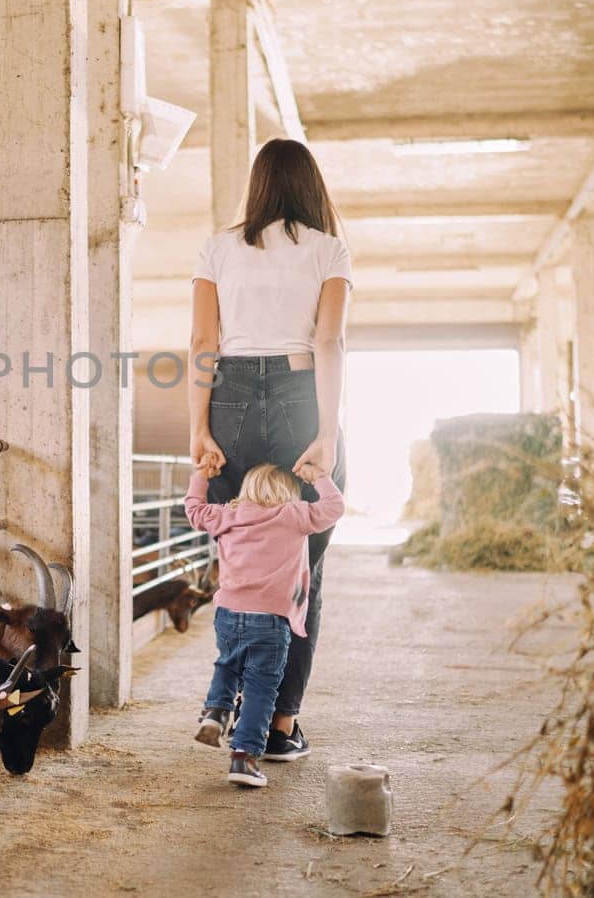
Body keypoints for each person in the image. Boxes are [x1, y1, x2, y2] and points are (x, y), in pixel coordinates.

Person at [186, 137, 351, 762]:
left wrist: (198, 429)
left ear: (256, 184)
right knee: (302, 566)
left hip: (227, 395)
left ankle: (226, 703)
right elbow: (329, 342)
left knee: (241, 552)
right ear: (311, 186)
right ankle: (278, 726)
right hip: (299, 391)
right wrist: (327, 431)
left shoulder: (218, 248)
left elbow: (204, 339)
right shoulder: (328, 249)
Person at [184, 461, 344, 786]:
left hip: (228, 612)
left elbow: (194, 509)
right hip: (271, 619)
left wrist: (201, 475)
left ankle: (216, 711)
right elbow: (335, 507)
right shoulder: (294, 515)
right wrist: (320, 477)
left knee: (227, 665)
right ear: (289, 493)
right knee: (259, 690)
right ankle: (244, 759)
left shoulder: (229, 515)